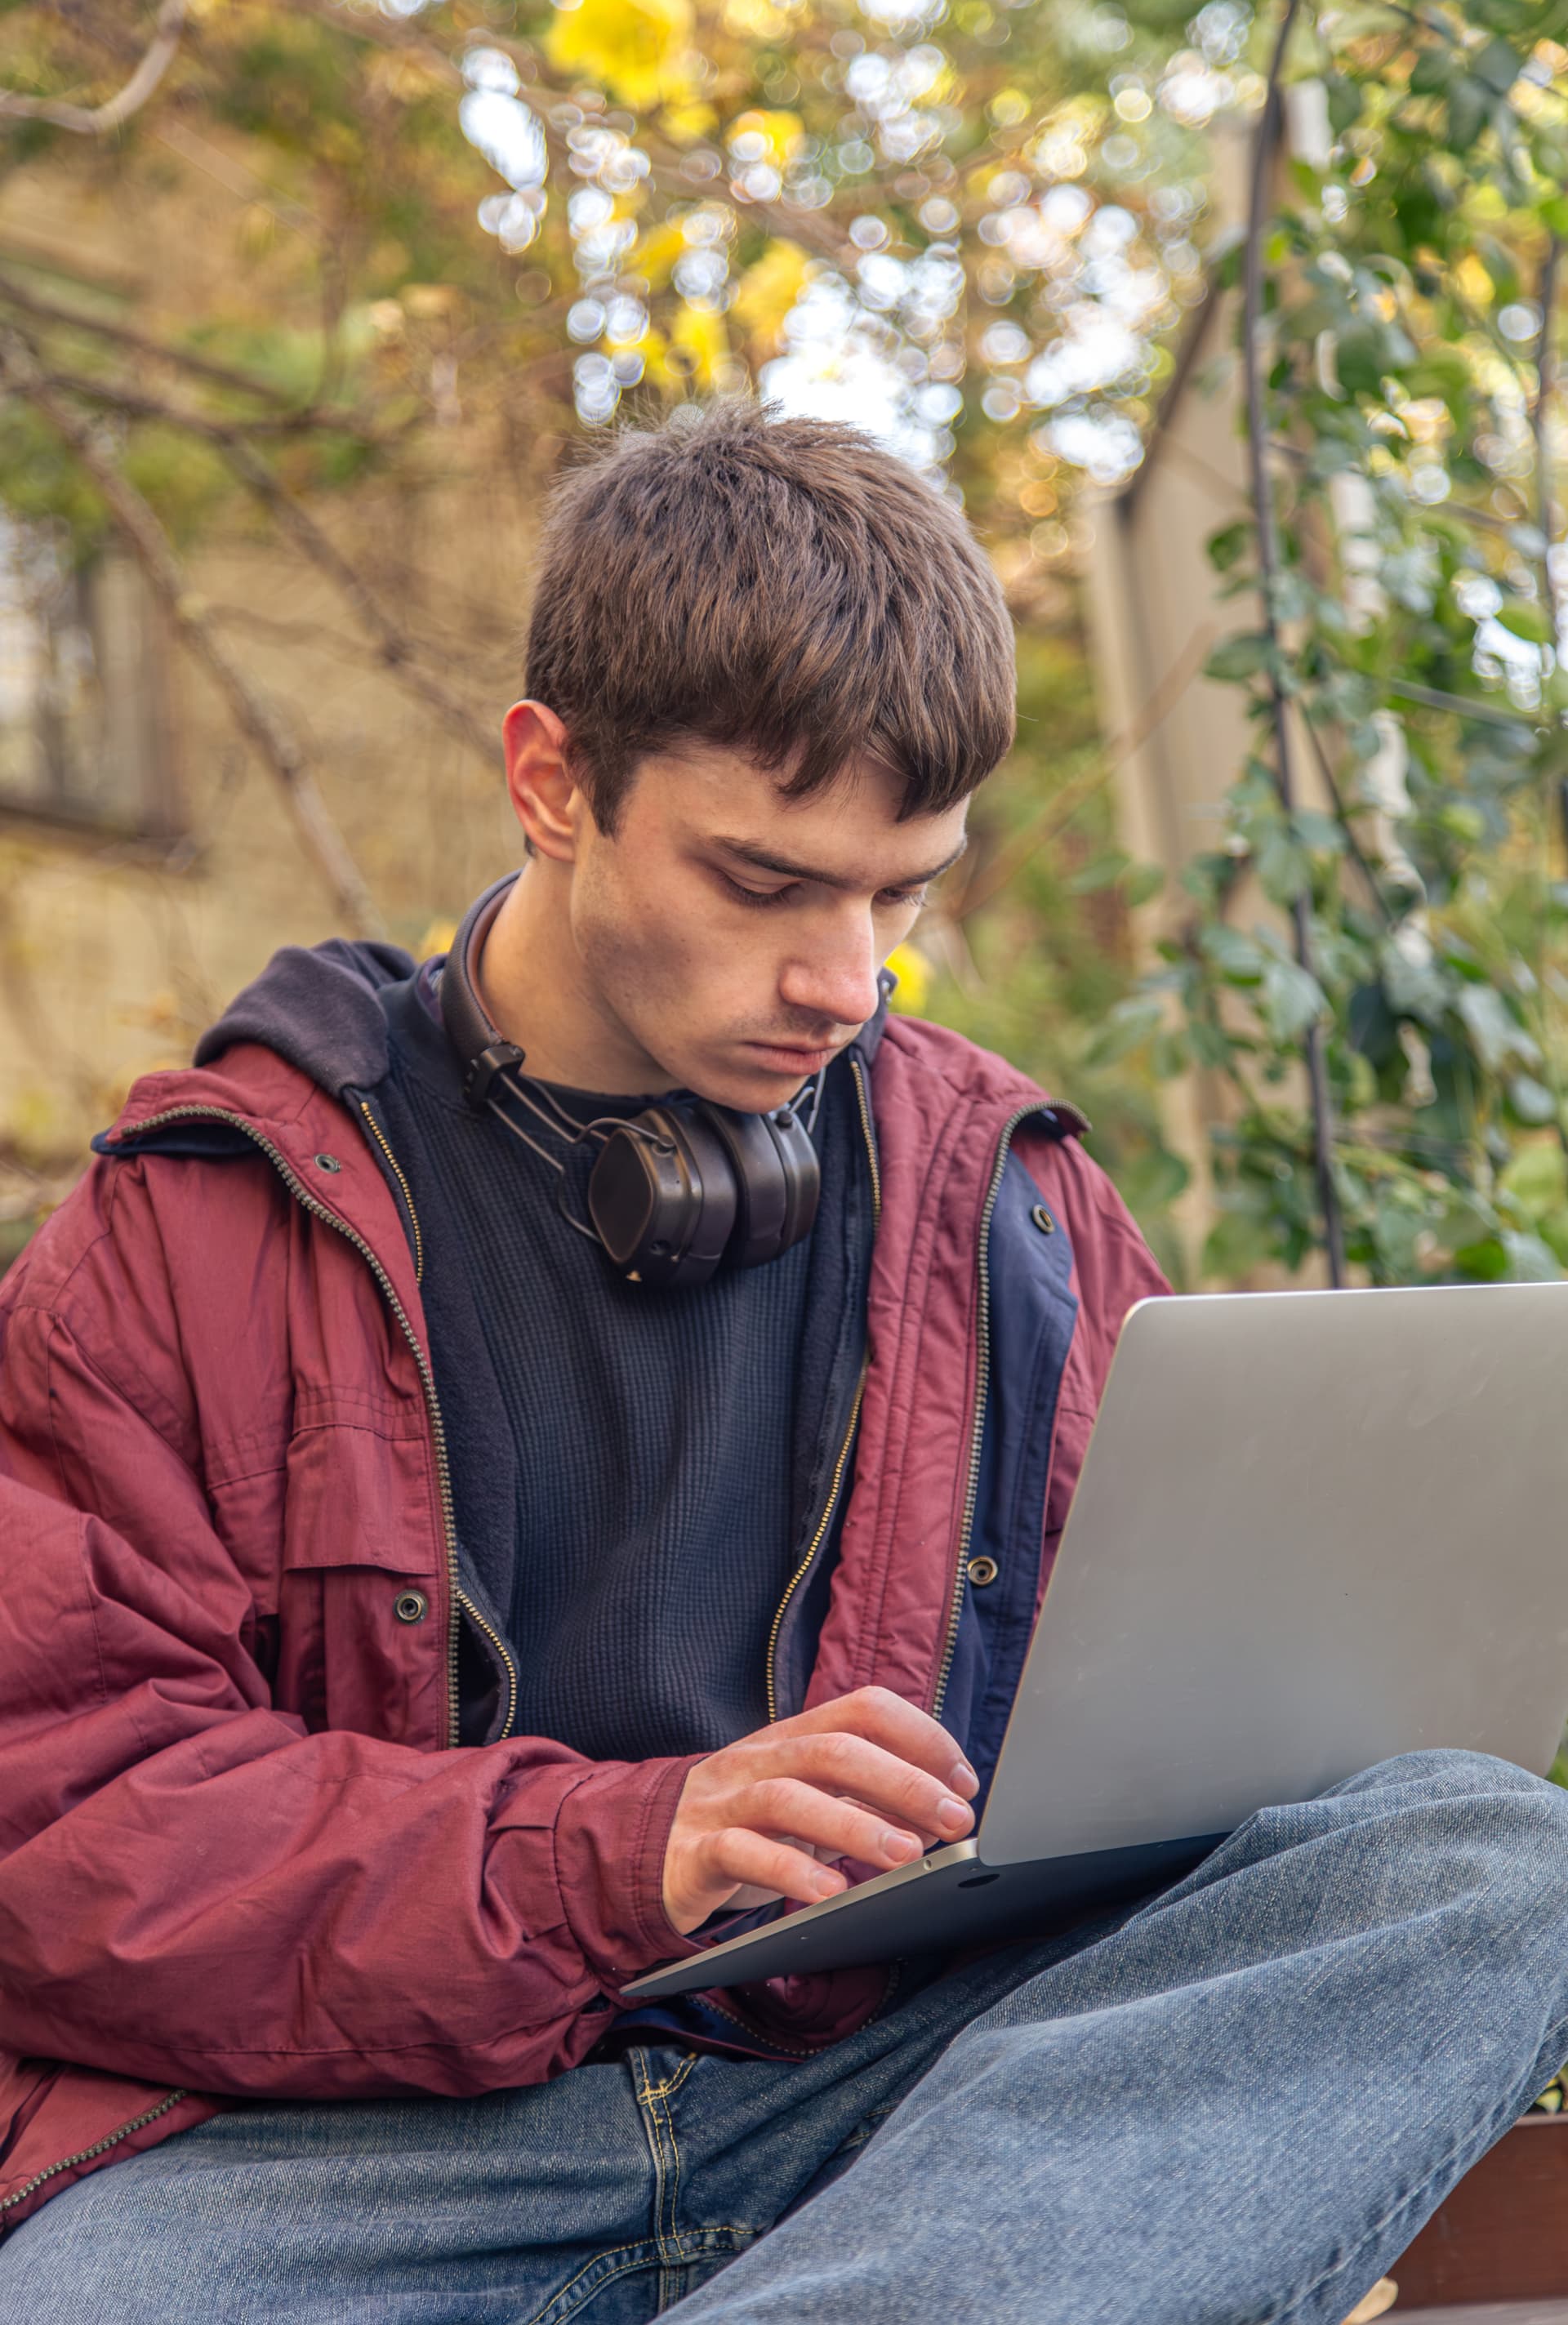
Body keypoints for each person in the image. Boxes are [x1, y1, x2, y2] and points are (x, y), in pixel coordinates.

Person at [0, 405, 1566, 2325]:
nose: (849, 980)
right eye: (764, 884)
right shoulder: (195, 1227)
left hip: (904, 2106)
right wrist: (621, 1851)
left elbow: (1203, 1756)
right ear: (552, 781)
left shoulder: (1010, 1199)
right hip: (366, 2152)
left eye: (903, 893)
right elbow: (57, 1826)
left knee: (1484, 1860)